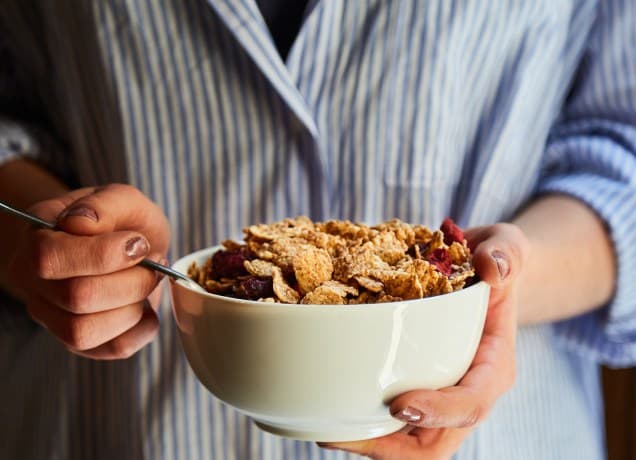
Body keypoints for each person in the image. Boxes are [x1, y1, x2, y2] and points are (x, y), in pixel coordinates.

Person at [1, 1, 634, 459]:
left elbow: (624, 148)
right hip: (122, 423)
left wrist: (502, 283)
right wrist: (56, 240)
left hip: (500, 434)